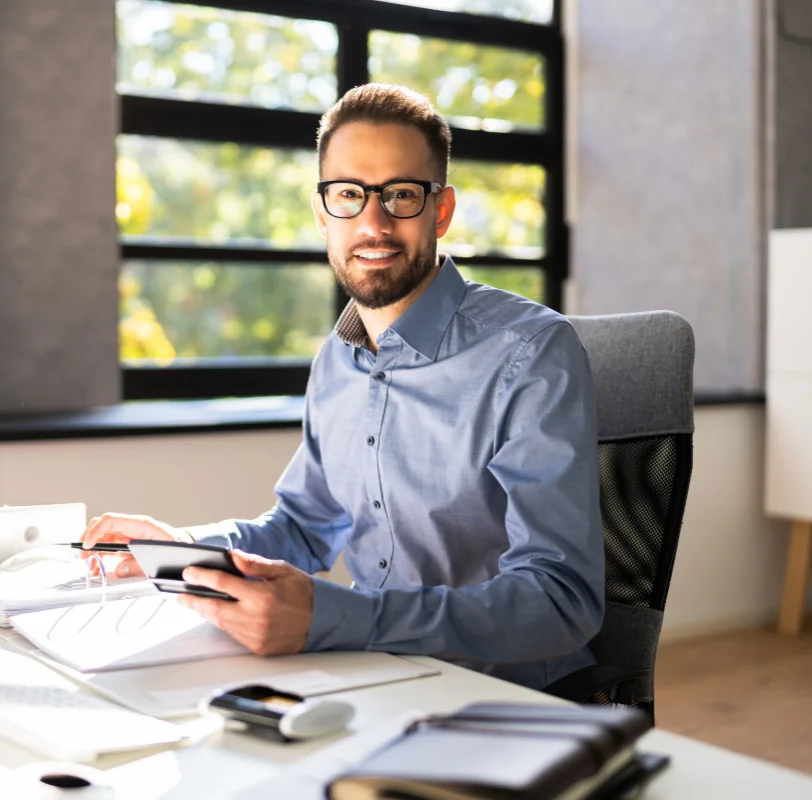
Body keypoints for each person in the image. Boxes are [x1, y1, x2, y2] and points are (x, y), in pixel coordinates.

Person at [83, 83, 604, 692]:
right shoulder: (337, 360)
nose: (374, 223)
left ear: (441, 210)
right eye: (349, 195)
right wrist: (183, 547)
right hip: (371, 676)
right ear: (322, 212)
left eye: (402, 195)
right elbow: (304, 527)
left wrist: (339, 618)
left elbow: (561, 599)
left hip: (503, 694)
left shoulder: (533, 353)